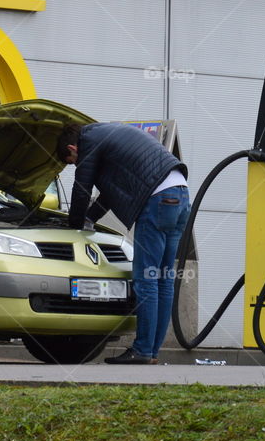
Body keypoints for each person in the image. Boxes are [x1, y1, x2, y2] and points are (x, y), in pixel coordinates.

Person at [56, 122, 190, 365]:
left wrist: (74, 227)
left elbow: (82, 188)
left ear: (72, 148)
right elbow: (111, 193)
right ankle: (151, 352)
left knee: (146, 279)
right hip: (180, 194)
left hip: (157, 200)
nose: (77, 164)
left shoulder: (89, 142)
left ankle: (142, 350)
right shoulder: (108, 134)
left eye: (72, 161)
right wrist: (89, 218)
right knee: (162, 278)